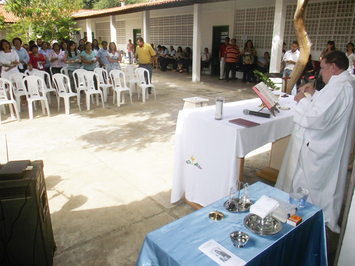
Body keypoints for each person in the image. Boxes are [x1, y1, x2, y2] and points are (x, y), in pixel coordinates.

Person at [275, 51, 355, 236]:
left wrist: (302, 100)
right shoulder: (345, 83)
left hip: (323, 146)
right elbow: (328, 107)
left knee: (314, 186)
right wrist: (314, 93)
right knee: (326, 185)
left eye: (324, 68)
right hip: (333, 142)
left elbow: (316, 117)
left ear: (334, 67)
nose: (321, 73)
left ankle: (311, 218)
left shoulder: (339, 87)